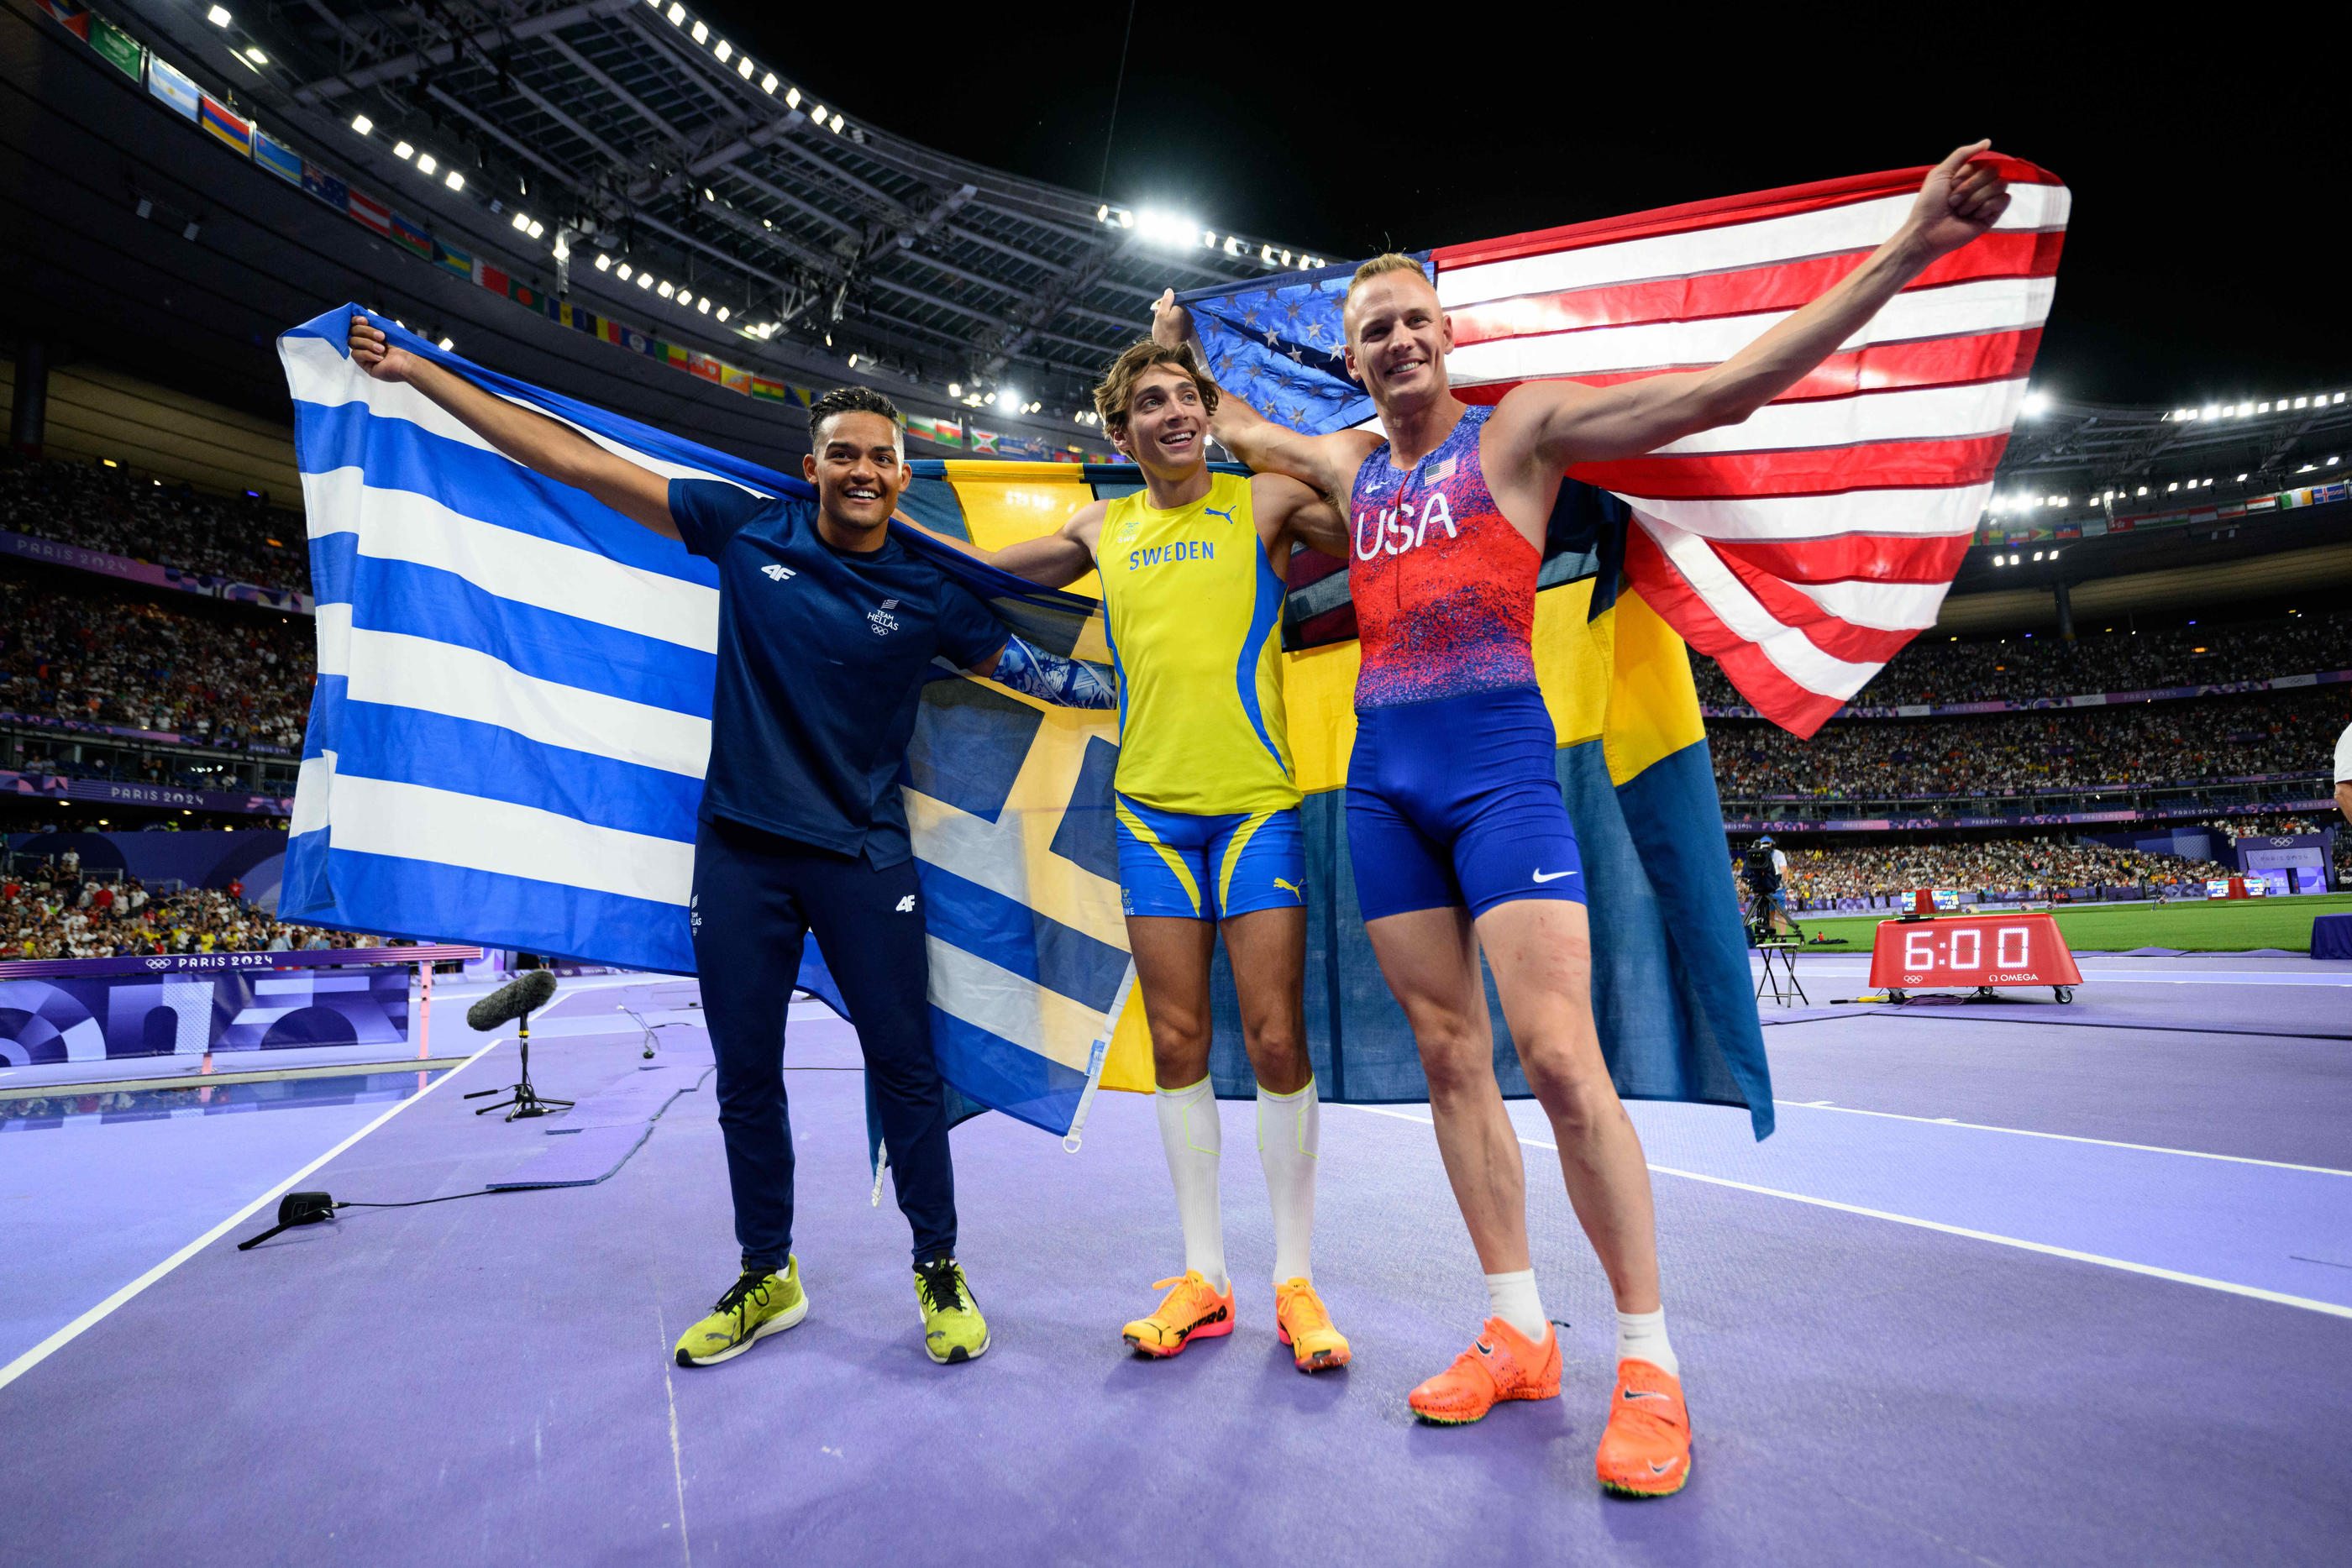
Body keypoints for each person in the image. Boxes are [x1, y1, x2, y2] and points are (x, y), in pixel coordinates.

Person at [1153, 143, 2010, 1497]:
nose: (1393, 341)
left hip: (1501, 771)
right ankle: (1514, 1323)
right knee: (1449, 1055)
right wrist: (1173, 347)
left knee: (1558, 1056)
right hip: (1384, 787)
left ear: (1447, 335)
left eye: (1411, 321)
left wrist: (1910, 248)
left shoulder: (1523, 431)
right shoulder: (1340, 463)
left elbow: (1725, 389)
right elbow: (1218, 422)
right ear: (1358, 356)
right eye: (1371, 329)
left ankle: (1650, 1358)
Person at [346, 314, 1115, 1371]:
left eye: (880, 458)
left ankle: (938, 1268)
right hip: (742, 855)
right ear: (813, 467)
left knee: (904, 1068)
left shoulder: (935, 593)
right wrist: (425, 373)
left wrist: (1155, 683)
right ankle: (770, 1273)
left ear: (902, 479)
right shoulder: (749, 528)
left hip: (864, 859)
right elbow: (578, 461)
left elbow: (1043, 677)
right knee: (746, 1075)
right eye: (842, 452)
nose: (860, 469)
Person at [914, 340, 1356, 1371]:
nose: (1173, 414)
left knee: (1276, 1035)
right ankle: (1203, 1273)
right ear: (1119, 433)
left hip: (1256, 809)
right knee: (1175, 1039)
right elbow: (976, 574)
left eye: (1186, 399)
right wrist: (873, 531)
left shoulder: (1265, 503)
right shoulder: (1100, 526)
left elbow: (1371, 513)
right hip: (1150, 813)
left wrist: (1242, 409)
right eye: (1151, 404)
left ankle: (1295, 1277)